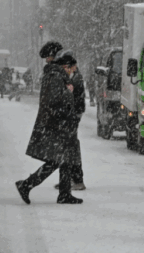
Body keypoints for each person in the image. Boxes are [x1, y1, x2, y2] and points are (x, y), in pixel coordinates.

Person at [16, 49, 82, 205]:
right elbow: (53, 103)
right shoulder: (55, 77)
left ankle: (64, 194)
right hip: (54, 126)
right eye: (72, 68)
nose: (73, 72)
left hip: (59, 126)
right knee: (56, 160)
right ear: (66, 66)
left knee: (65, 160)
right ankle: (26, 184)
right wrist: (67, 93)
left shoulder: (58, 77)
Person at [58, 52, 86, 192]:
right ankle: (68, 178)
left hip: (73, 116)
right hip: (72, 115)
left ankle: (76, 179)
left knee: (72, 147)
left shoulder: (75, 79)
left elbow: (75, 99)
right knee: (70, 147)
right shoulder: (74, 78)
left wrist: (73, 113)